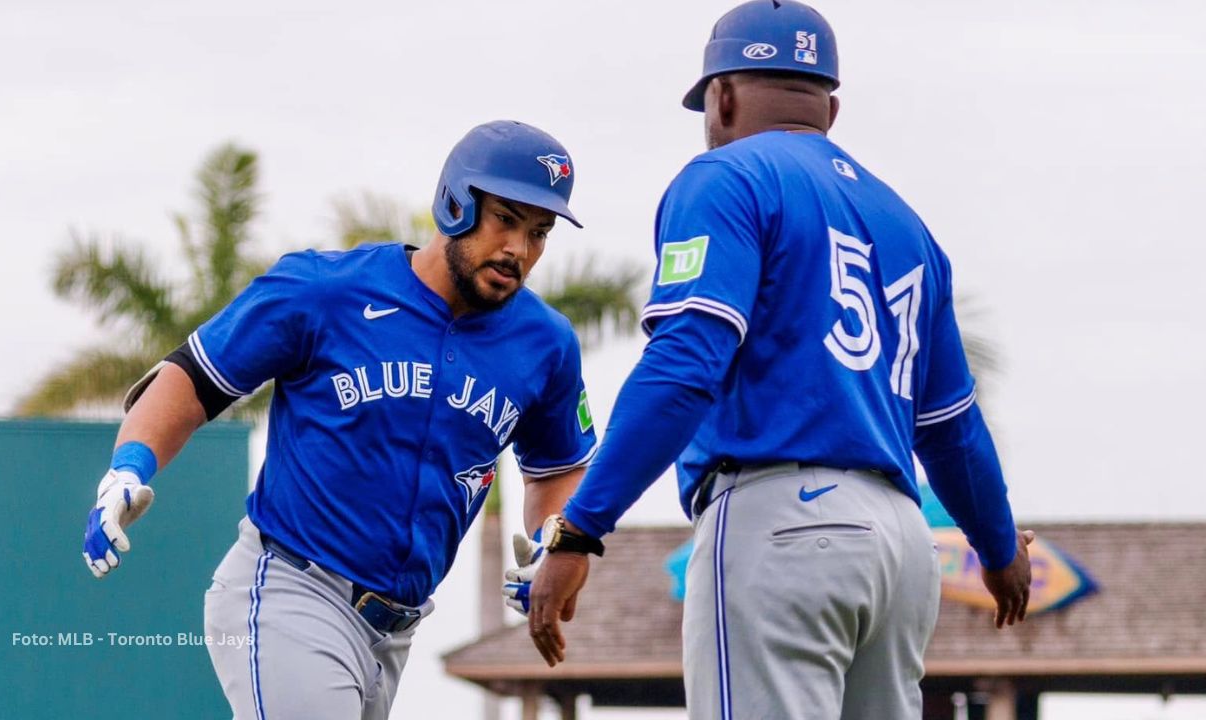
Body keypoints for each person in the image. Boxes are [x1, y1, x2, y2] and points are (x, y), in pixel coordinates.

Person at [519, 3, 1034, 718]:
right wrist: (1000, 548)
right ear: (832, 106)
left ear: (722, 96)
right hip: (901, 545)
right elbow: (952, 426)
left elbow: (685, 368)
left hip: (782, 526)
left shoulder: (725, 178)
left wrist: (581, 529)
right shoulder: (907, 223)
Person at [80, 119, 599, 720]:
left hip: (395, 632)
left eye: (539, 232)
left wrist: (553, 540)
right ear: (456, 202)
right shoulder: (325, 291)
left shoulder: (547, 343)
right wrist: (128, 466)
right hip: (290, 590)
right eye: (505, 219)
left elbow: (556, 469)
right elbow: (192, 380)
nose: (520, 249)